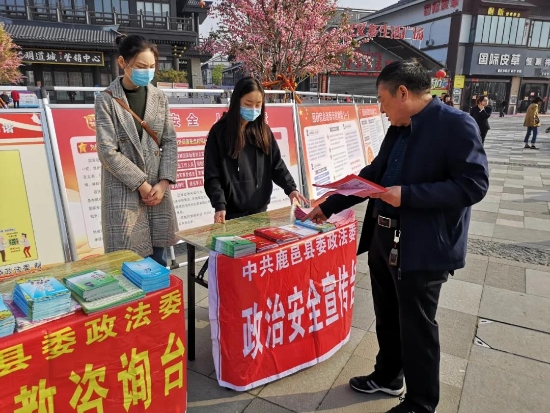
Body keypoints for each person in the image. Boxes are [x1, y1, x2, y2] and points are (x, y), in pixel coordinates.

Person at [303, 60, 489, 413]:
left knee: (417, 325)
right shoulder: (400, 127)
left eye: (382, 100)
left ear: (403, 93)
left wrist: (408, 195)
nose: (381, 109)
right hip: (384, 236)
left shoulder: (456, 125)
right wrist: (330, 204)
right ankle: (388, 376)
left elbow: (473, 185)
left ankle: (421, 403)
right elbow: (375, 173)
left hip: (424, 245)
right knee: (387, 314)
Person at [95, 34, 178, 267]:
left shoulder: (159, 97)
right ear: (123, 63)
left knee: (158, 263)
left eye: (151, 66)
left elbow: (169, 141)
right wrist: (142, 185)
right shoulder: (106, 100)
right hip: (123, 193)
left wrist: (163, 183)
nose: (147, 72)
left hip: (157, 191)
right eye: (141, 66)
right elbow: (107, 151)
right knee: (128, 264)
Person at [204, 76, 308, 223]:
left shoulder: (263, 131)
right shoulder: (219, 132)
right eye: (248, 104)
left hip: (261, 211)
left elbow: (276, 165)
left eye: (258, 105)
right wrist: (219, 204)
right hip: (231, 213)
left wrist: (291, 189)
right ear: (237, 101)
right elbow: (212, 174)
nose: (253, 109)